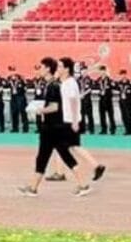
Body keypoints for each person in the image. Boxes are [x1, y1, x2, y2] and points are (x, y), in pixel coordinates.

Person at [17, 57, 87, 197]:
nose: (40, 70)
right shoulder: (50, 85)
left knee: (45, 156)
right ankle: (82, 184)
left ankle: (33, 188)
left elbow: (55, 107)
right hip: (52, 127)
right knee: (60, 156)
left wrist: (38, 110)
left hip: (52, 128)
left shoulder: (54, 86)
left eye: (41, 67)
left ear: (48, 68)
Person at [56, 57, 107, 188]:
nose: (58, 69)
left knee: (64, 146)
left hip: (70, 120)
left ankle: (67, 174)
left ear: (67, 69)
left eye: (60, 66)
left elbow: (73, 101)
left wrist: (74, 120)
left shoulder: (70, 83)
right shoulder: (66, 82)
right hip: (68, 119)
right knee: (72, 146)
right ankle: (95, 166)